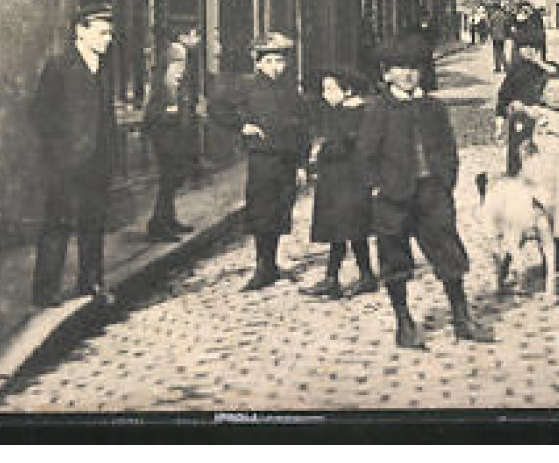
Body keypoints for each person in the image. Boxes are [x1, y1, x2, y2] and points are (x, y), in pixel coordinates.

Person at [358, 34, 494, 348]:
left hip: (431, 192)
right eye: (399, 69)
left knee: (448, 252)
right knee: (395, 258)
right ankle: (403, 322)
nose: (407, 75)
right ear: (387, 74)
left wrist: (445, 181)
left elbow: (448, 148)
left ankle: (462, 318)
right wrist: (377, 187)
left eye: (413, 68)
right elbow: (365, 154)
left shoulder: (433, 107)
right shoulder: (378, 109)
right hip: (393, 196)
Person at [29, 4, 118, 308]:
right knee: (58, 223)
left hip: (97, 162)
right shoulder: (59, 66)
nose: (108, 39)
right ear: (81, 31)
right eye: (102, 32)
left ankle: (90, 281)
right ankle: (45, 290)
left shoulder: (105, 67)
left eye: (110, 33)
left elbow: (106, 117)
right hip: (65, 163)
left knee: (93, 223)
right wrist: (59, 152)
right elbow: (40, 114)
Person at [209, 32, 312, 291]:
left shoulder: (292, 93)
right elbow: (216, 108)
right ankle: (262, 265)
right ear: (257, 62)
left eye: (280, 61)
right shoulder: (246, 87)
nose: (275, 68)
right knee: (262, 210)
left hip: (287, 159)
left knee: (280, 210)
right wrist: (242, 125)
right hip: (263, 158)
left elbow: (304, 129)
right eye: (269, 62)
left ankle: (272, 263)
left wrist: (302, 163)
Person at [303, 71, 379, 299]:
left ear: (347, 91)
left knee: (351, 230)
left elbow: (347, 145)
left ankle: (358, 277)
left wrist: (322, 151)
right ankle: (337, 277)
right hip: (336, 180)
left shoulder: (357, 114)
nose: (325, 94)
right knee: (342, 230)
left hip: (351, 180)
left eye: (330, 89)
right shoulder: (340, 112)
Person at [512, 71, 559, 275]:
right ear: (542, 95)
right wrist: (517, 109)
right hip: (541, 170)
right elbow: (520, 111)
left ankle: (558, 252)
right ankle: (546, 254)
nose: (556, 95)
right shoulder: (539, 113)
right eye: (550, 91)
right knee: (542, 212)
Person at [143, 42, 198, 242]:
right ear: (169, 64)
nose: (181, 71)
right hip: (164, 142)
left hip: (177, 141)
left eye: (183, 65)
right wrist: (168, 114)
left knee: (174, 181)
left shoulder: (179, 85)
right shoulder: (159, 86)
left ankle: (169, 219)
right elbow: (150, 117)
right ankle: (157, 225)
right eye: (178, 65)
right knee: (167, 182)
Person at [495, 35, 559, 176]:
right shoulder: (515, 72)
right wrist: (499, 124)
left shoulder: (548, 68)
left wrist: (540, 63)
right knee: (519, 159)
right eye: (524, 47)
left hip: (546, 121)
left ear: (539, 49)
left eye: (532, 47)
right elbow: (503, 98)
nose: (528, 50)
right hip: (521, 121)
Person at [487, 5, 510, 73]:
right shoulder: (504, 16)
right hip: (502, 36)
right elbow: (507, 26)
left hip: (495, 36)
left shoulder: (493, 17)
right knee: (502, 51)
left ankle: (498, 67)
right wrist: (506, 35)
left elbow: (490, 27)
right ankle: (505, 67)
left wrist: (491, 34)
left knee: (496, 51)